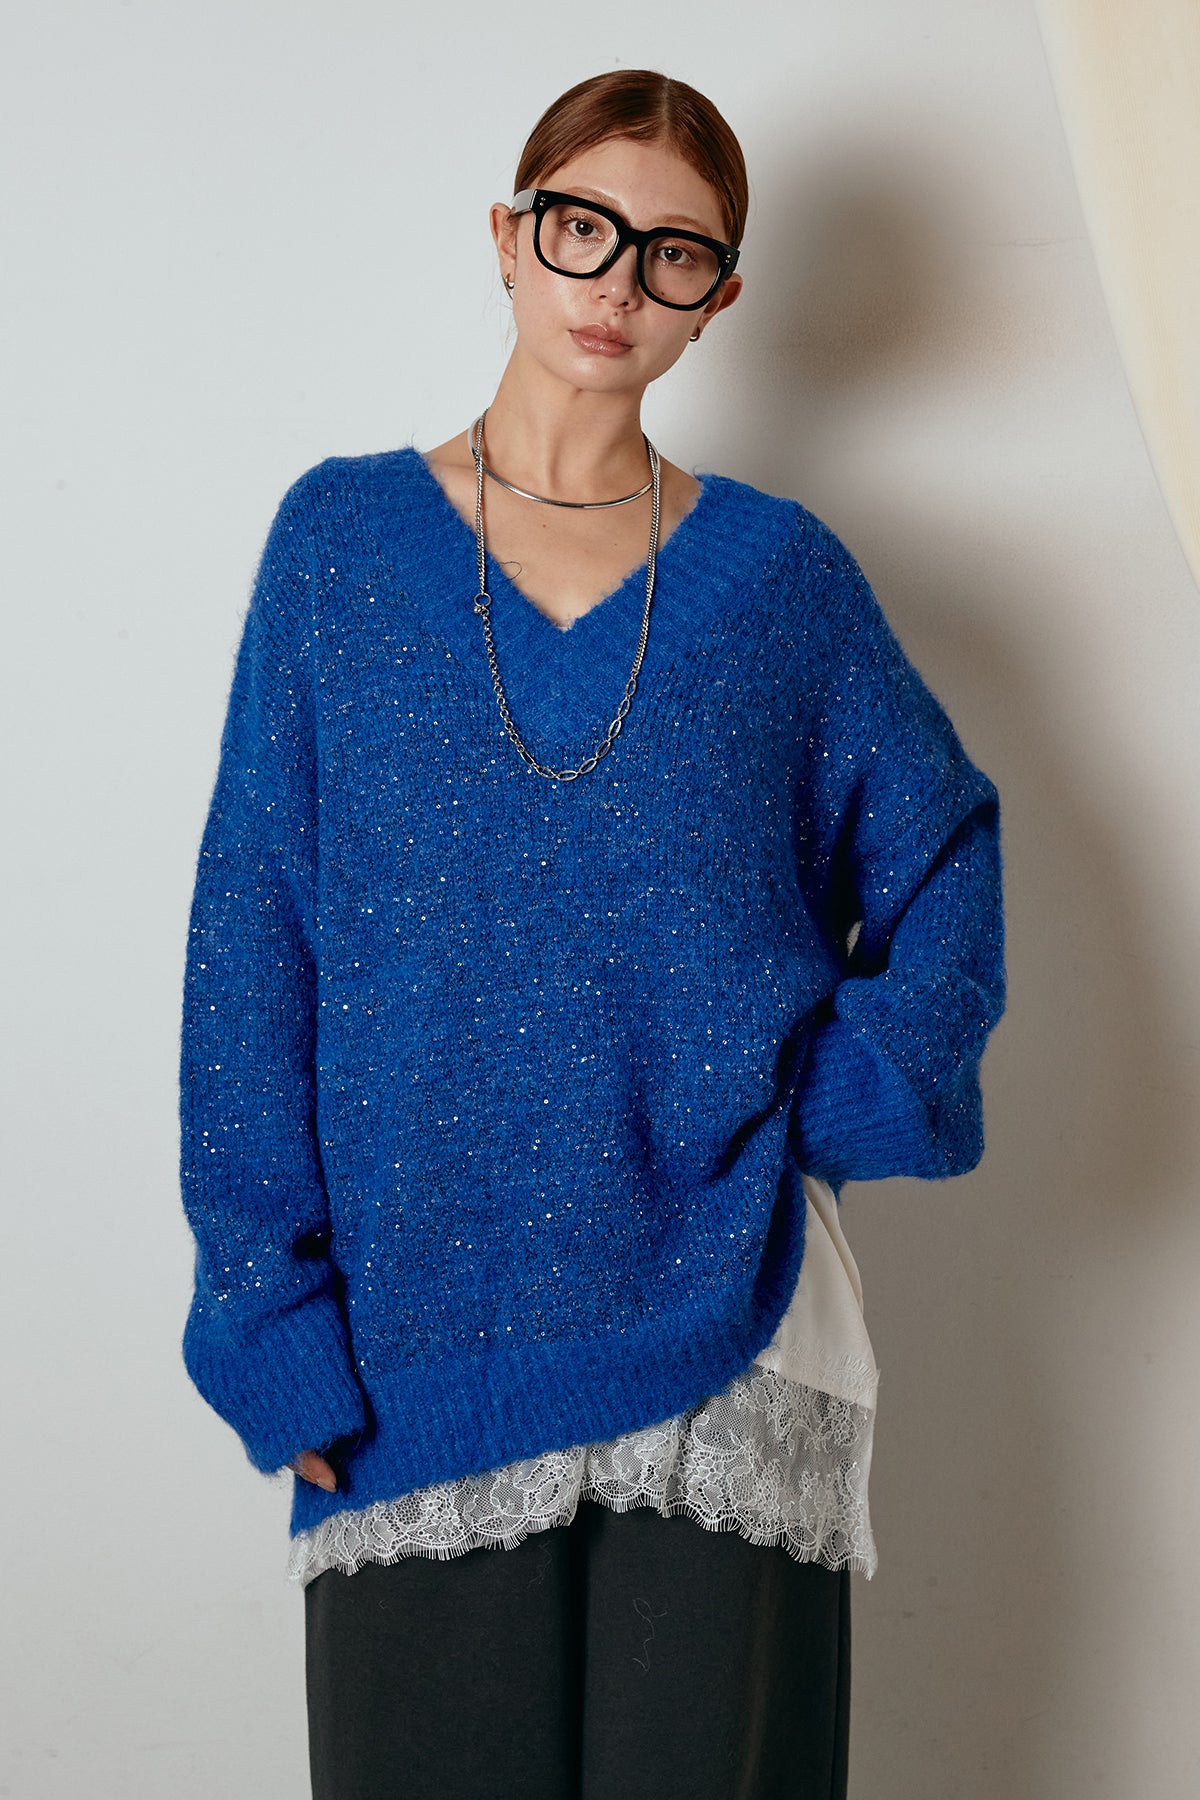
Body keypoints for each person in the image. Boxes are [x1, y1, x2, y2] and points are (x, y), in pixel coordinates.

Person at [177, 67, 1005, 1800]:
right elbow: (253, 939)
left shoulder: (782, 585)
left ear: (721, 298)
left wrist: (838, 1096)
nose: (618, 281)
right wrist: (268, 1317)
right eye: (584, 227)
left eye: (674, 253)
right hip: (410, 1347)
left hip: (731, 1326)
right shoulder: (339, 549)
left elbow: (943, 851)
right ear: (509, 236)